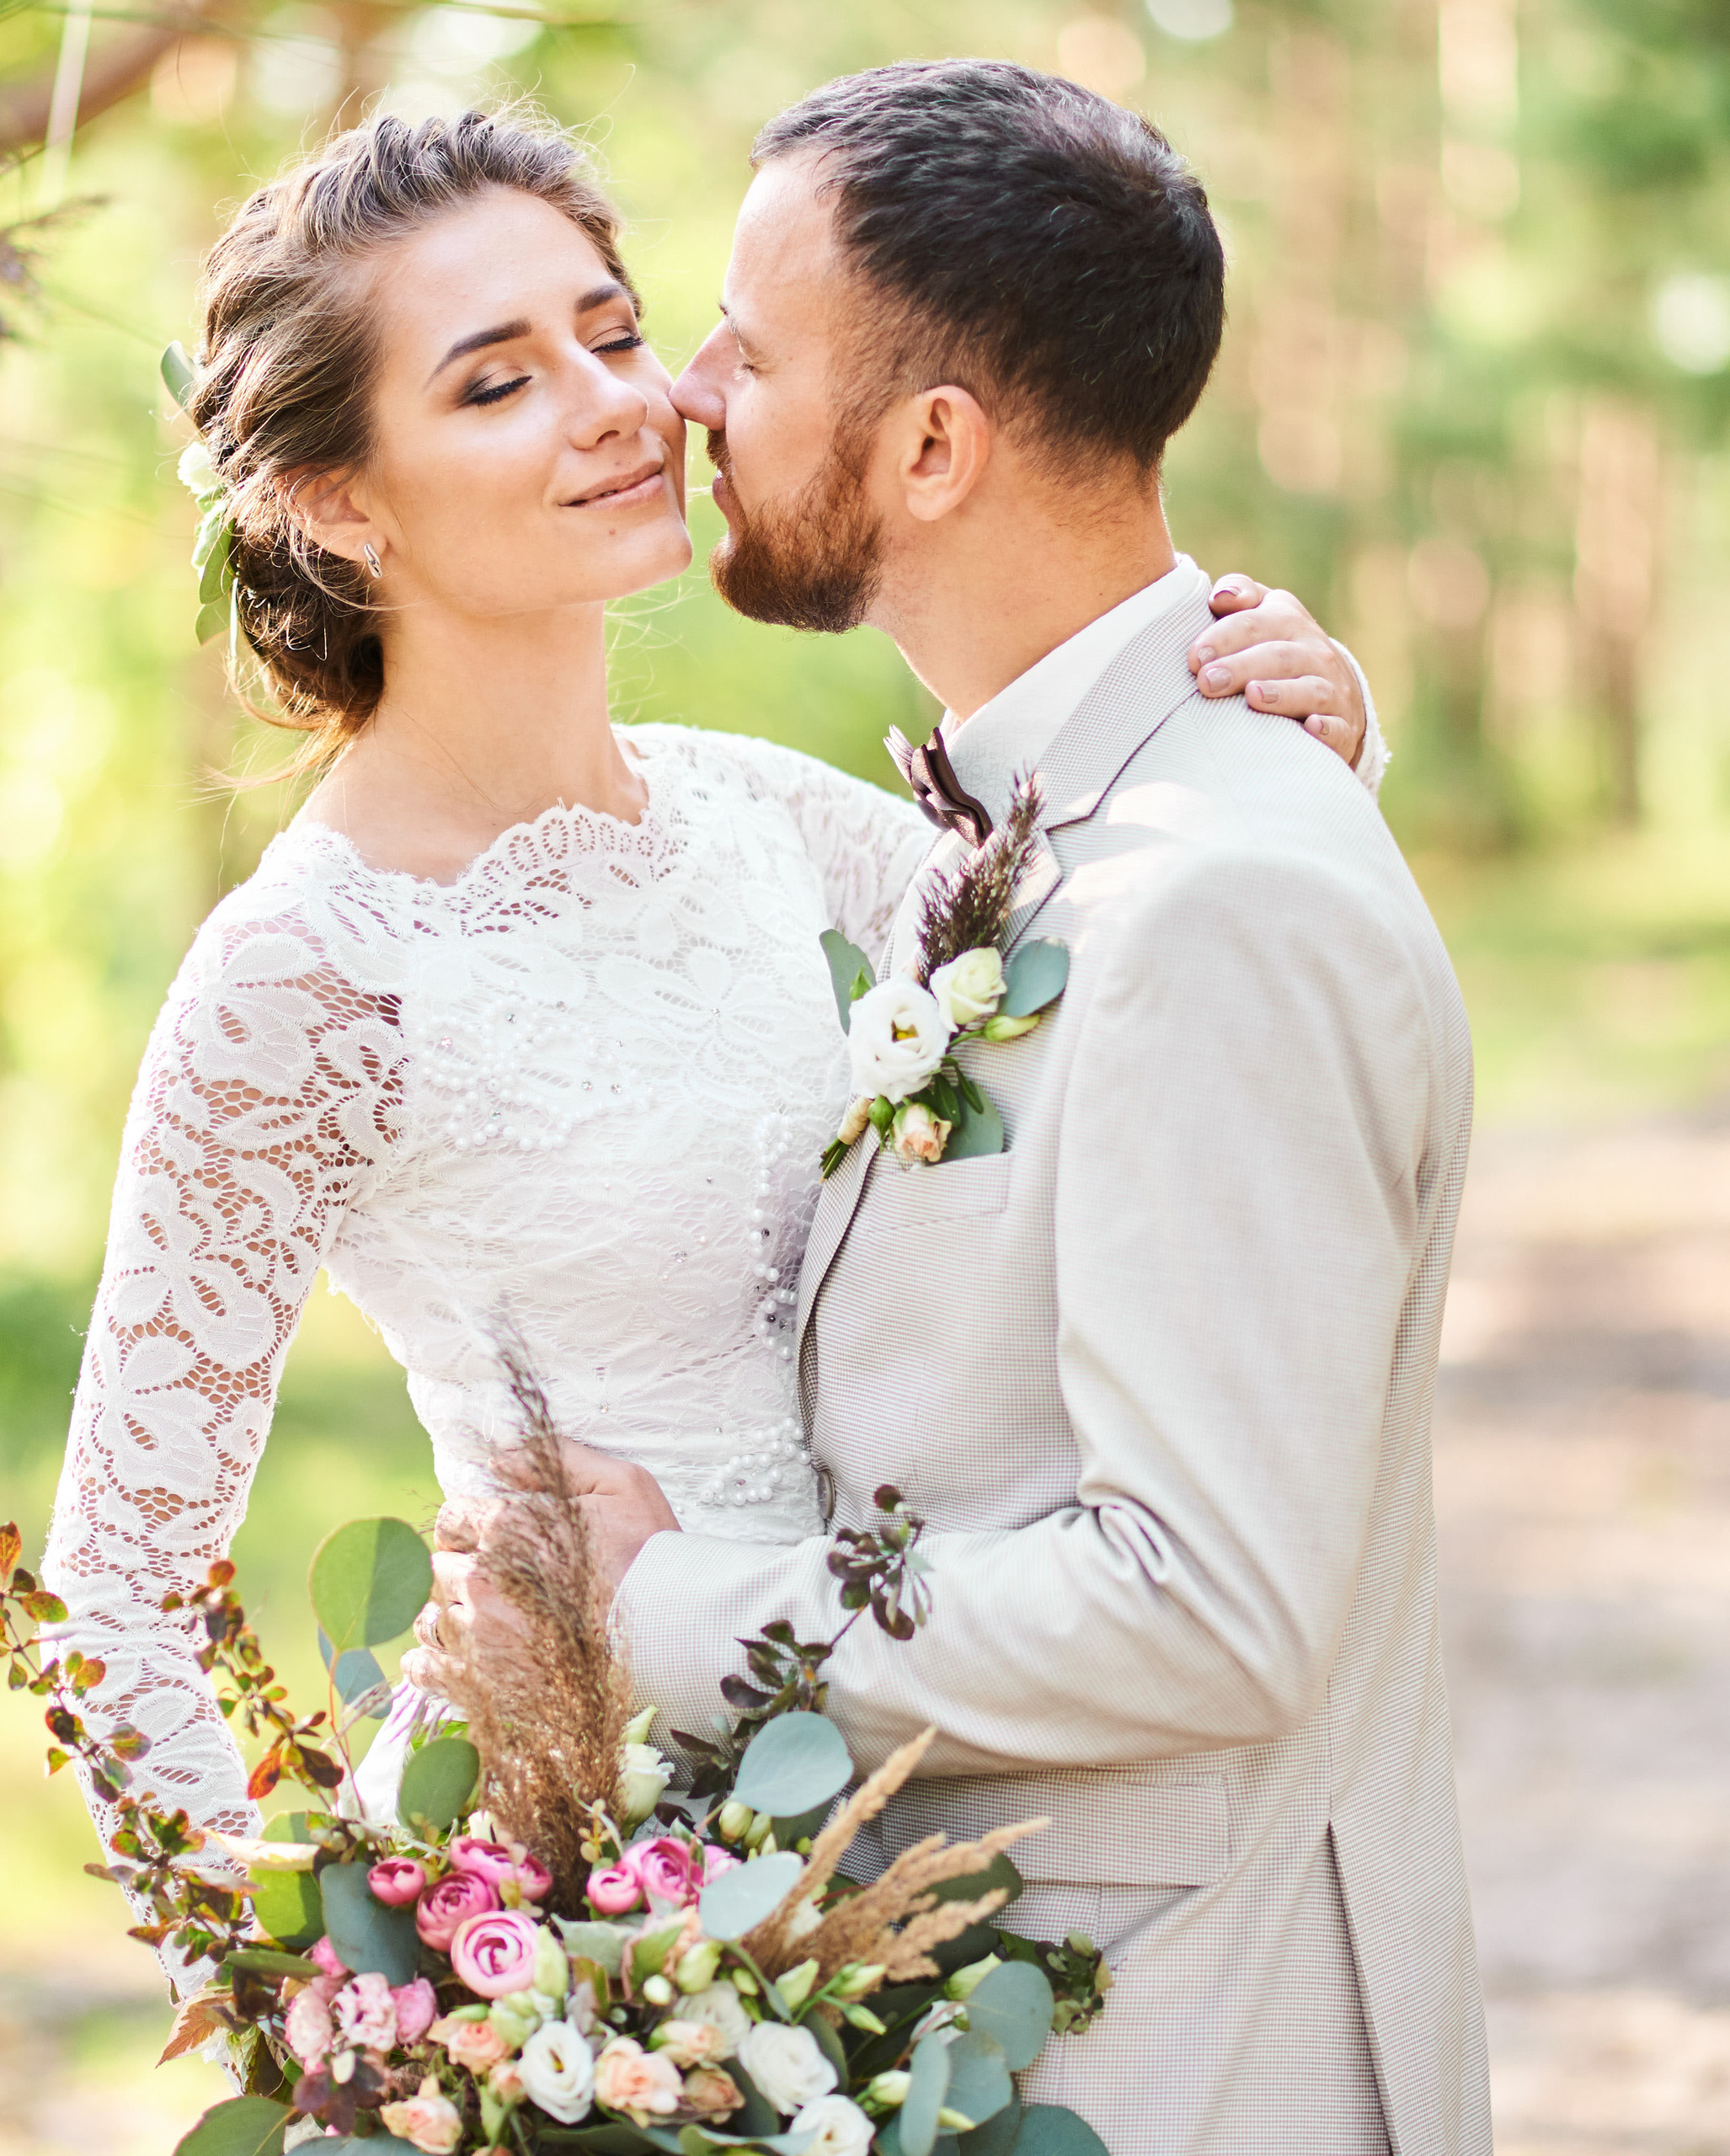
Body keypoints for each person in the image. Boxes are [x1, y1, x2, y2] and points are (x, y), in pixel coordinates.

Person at [40, 107, 1379, 1984]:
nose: (614, 401)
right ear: (338, 499)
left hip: (912, 1816)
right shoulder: (303, 977)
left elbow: (1146, 967)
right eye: (496, 382)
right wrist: (297, 1997)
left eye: (612, 331)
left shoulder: (756, 816)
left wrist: (1290, 733)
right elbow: (116, 1582)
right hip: (586, 1913)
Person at [426, 62, 1489, 2156]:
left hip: (1183, 2056)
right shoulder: (1078, 812)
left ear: (929, 445)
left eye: (749, 344)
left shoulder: (1212, 892)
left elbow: (1205, 1600)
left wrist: (649, 1612)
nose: (686, 396)